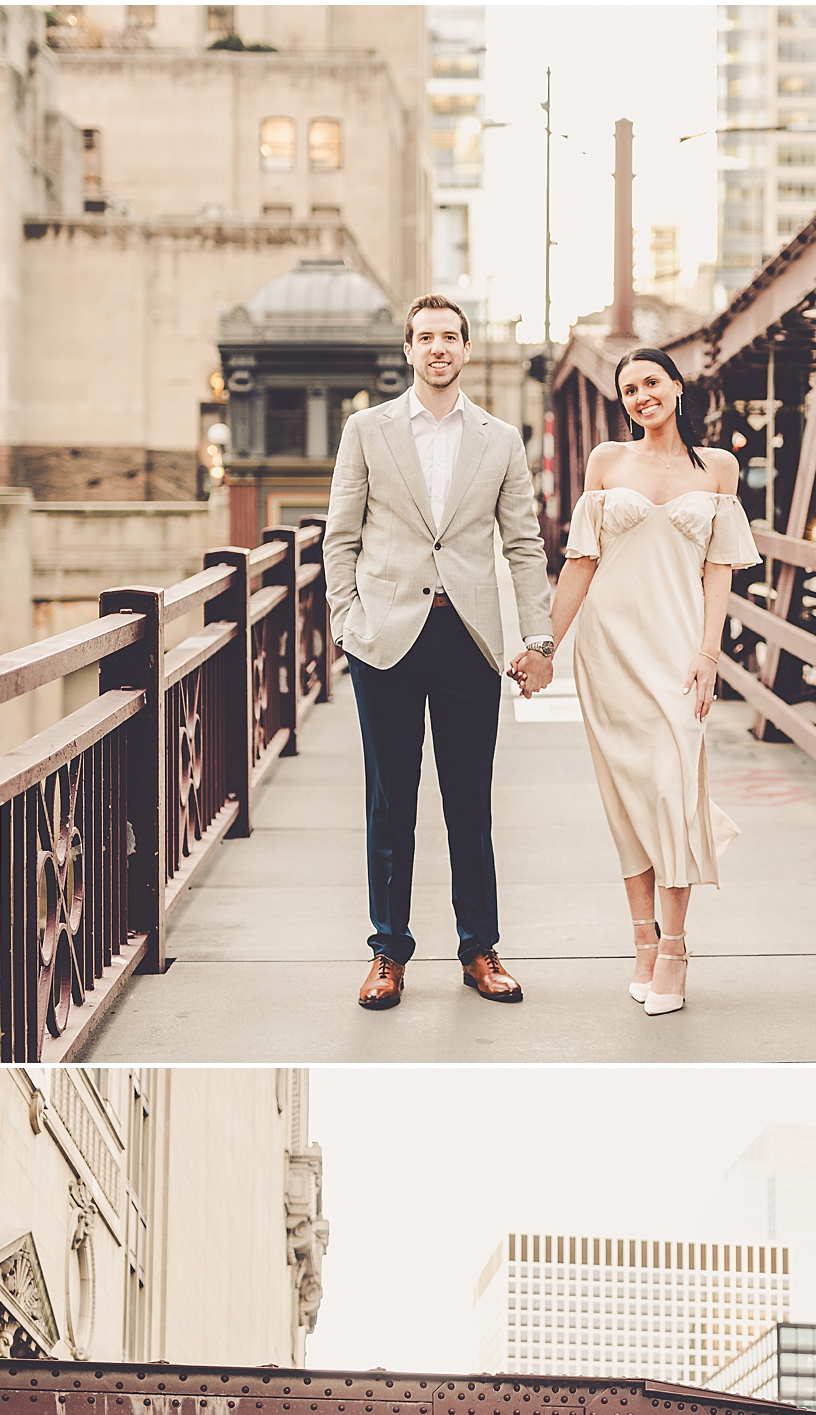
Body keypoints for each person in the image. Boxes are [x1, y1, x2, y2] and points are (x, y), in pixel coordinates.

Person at [324, 294, 556, 1012]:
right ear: (409, 350)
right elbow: (342, 535)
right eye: (425, 337)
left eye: (450, 337)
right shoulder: (367, 430)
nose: (439, 348)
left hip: (469, 639)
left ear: (465, 347)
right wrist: (345, 624)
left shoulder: (500, 438)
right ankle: (387, 952)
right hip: (385, 640)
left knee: (469, 803)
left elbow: (522, 543)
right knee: (390, 804)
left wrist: (538, 637)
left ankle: (479, 948)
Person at [515, 347, 759, 1017]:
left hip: (679, 651)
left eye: (652, 382)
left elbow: (719, 571)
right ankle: (643, 943)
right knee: (628, 800)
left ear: (678, 388)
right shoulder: (605, 461)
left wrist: (709, 656)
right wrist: (545, 649)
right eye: (629, 388)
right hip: (610, 651)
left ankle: (676, 949)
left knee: (675, 792)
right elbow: (580, 564)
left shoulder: (718, 469)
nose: (641, 395)